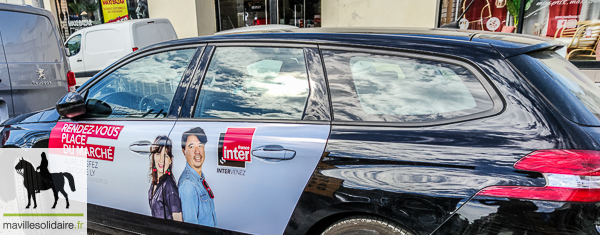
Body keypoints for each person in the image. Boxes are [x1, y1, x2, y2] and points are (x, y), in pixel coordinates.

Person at [178, 127, 217, 227]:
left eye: (200, 146)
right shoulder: (188, 184)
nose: (197, 151)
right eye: (191, 147)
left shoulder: (199, 179)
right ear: (184, 151)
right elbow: (191, 229)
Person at [148, 135, 182, 221]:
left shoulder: (169, 185)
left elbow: (178, 222)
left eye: (165, 156)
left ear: (170, 160)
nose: (161, 160)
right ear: (153, 156)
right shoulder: (156, 181)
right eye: (158, 154)